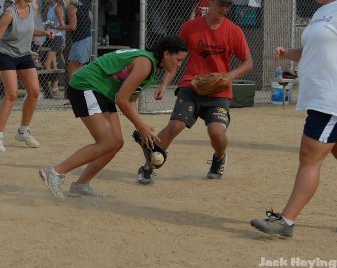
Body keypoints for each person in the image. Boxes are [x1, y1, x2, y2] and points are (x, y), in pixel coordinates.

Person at [39, 35, 188, 200]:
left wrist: (141, 126)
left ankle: (81, 185)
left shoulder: (150, 67)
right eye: (178, 59)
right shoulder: (145, 63)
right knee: (106, 142)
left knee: (116, 142)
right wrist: (140, 126)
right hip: (86, 86)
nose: (179, 64)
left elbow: (130, 100)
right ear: (167, 54)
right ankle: (55, 172)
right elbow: (121, 100)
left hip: (102, 91)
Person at [136, 0, 253, 185]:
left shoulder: (234, 31)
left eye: (228, 6)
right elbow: (175, 58)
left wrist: (229, 77)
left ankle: (219, 158)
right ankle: (148, 166)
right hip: (191, 87)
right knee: (175, 126)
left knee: (216, 132)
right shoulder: (191, 27)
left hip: (219, 92)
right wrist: (164, 84)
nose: (225, 9)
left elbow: (248, 62)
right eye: (222, 4)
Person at [250, 0, 337, 238]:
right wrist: (287, 53)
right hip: (320, 97)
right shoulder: (322, 11)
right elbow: (316, 49)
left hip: (331, 101)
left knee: (309, 159)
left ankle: (286, 221)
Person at [0, 0, 55, 152]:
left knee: (34, 92)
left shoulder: (34, 7)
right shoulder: (9, 14)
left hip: (24, 54)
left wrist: (44, 32)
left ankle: (23, 131)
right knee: (11, 94)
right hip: (6, 55)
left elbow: (29, 30)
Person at [42, 0, 66, 98]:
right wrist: (46, 24)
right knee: (53, 63)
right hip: (49, 36)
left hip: (57, 37)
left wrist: (54, 26)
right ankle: (54, 87)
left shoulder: (57, 7)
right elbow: (44, 19)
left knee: (46, 63)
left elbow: (62, 25)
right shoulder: (49, 7)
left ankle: (48, 88)